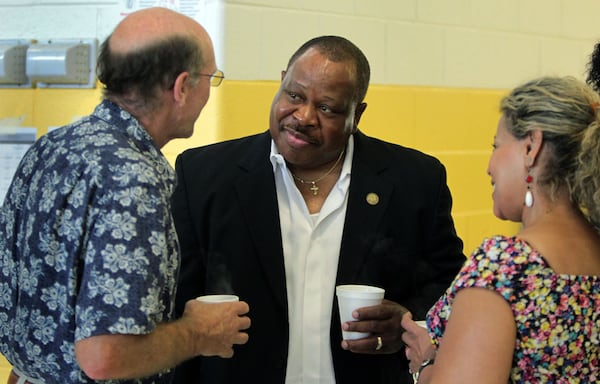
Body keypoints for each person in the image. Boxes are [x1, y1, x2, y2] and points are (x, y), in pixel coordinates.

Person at [170, 35, 465, 384]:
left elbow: (449, 290)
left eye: (327, 108)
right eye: (294, 95)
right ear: (281, 82)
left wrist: (408, 321)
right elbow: (176, 302)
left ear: (357, 115)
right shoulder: (204, 176)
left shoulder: (415, 181)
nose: (304, 116)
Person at [0, 7, 251, 384]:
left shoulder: (53, 147)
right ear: (182, 87)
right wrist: (200, 332)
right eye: (208, 78)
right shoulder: (133, 178)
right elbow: (105, 357)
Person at [402, 76, 600, 383]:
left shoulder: (507, 266)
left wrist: (427, 364)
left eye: (496, 146)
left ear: (531, 147)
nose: (489, 165)